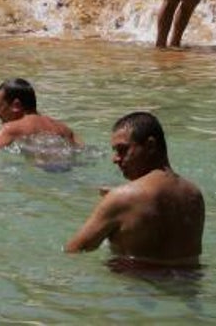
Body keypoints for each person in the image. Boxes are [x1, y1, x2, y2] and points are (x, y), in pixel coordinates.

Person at [65, 112, 205, 265]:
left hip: (135, 286)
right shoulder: (194, 194)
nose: (115, 159)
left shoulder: (123, 198)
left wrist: (116, 200)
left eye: (122, 149)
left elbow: (74, 250)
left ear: (150, 146)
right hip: (189, 286)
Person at [0, 78, 80, 151]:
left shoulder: (11, 128)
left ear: (16, 105)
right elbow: (82, 148)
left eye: (0, 106)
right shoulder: (64, 129)